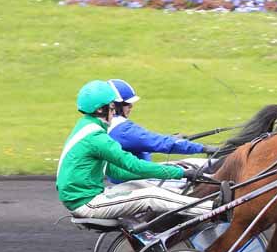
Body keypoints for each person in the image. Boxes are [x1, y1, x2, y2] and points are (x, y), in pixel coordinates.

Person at [56, 80, 217, 219]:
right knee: (152, 196)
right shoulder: (96, 138)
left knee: (143, 186)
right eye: (112, 107)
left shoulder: (85, 127)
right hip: (87, 203)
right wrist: (180, 173)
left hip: (85, 198)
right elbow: (135, 165)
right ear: (100, 110)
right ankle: (216, 209)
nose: (114, 112)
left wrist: (168, 172)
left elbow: (117, 172)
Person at [107, 79, 216, 163]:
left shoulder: (98, 124)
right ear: (113, 105)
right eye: (126, 104)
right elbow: (158, 143)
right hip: (127, 182)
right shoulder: (123, 130)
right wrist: (202, 148)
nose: (131, 106)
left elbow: (148, 142)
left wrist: (171, 138)